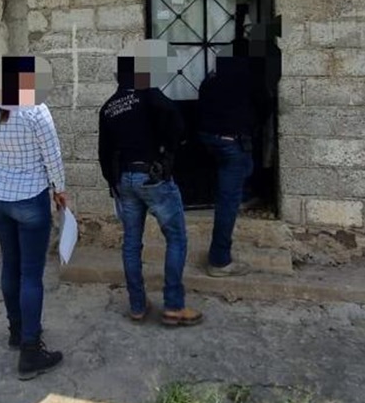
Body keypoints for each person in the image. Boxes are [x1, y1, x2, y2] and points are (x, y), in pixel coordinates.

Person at [98, 40, 203, 327]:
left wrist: (114, 185)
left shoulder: (108, 108)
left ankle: (137, 306)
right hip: (153, 178)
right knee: (177, 238)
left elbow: (103, 153)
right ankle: (173, 306)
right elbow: (177, 122)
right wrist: (167, 150)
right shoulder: (149, 96)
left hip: (125, 182)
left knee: (131, 244)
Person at [0, 55, 68, 380]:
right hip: (30, 199)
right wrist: (60, 189)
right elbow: (52, 156)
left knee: (10, 266)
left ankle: (16, 331)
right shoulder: (36, 111)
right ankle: (31, 350)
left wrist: (1, 180)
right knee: (32, 274)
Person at [196, 37, 270, 277]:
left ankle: (245, 193)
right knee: (228, 200)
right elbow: (265, 105)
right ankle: (219, 260)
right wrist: (251, 124)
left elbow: (201, 103)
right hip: (233, 142)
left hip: (210, 139)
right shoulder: (250, 77)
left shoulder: (211, 80)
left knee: (239, 171)